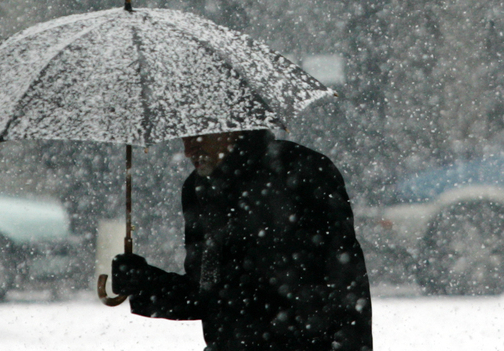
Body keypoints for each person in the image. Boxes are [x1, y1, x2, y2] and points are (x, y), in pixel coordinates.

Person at [112, 129, 372, 351]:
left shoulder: (303, 170)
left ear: (232, 129)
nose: (189, 150)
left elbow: (346, 278)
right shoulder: (200, 189)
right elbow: (206, 292)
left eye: (199, 137)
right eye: (184, 138)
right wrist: (145, 283)